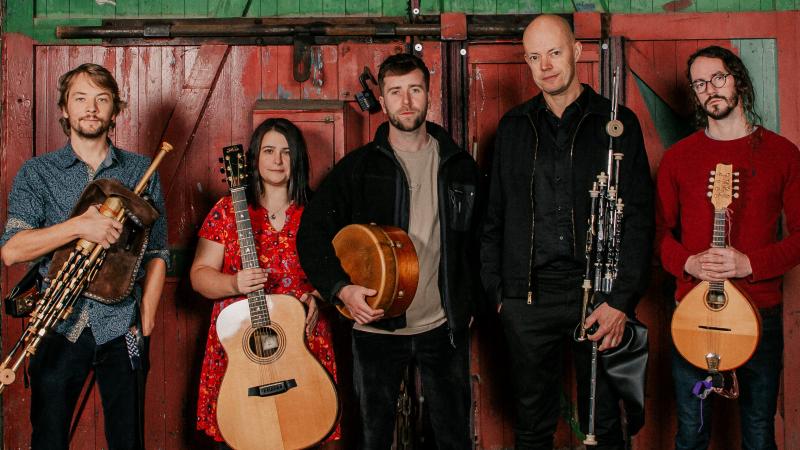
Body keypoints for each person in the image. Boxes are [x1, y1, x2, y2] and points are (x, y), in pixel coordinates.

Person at [480, 15, 654, 450]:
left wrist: (620, 301)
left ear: (577, 51)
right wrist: (501, 295)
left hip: (596, 296)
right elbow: (494, 217)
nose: (546, 66)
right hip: (528, 298)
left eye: (554, 52)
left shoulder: (617, 124)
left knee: (604, 425)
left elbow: (638, 218)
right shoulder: (513, 127)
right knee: (532, 427)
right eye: (534, 57)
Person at [296, 53, 480, 449]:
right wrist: (341, 290)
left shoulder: (459, 164)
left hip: (442, 327)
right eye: (396, 92)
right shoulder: (358, 168)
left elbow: (481, 239)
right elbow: (311, 234)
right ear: (383, 97)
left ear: (429, 94)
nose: (407, 101)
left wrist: (470, 303)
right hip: (375, 327)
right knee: (371, 438)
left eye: (415, 90)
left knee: (453, 438)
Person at [0, 63, 169, 450]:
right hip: (57, 324)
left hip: (122, 325)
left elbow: (158, 252)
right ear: (64, 109)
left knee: (128, 442)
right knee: (49, 441)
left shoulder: (144, 170)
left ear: (115, 110)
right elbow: (12, 250)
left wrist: (146, 318)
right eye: (80, 99)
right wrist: (80, 227)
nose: (90, 108)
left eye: (101, 99)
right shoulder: (37, 173)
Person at [656, 45, 800, 450]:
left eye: (718, 78)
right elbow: (657, 235)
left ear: (738, 78)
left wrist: (748, 263)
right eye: (700, 84)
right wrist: (689, 263)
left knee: (757, 434)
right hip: (692, 314)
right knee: (691, 433)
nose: (710, 89)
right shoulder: (678, 159)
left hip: (759, 315)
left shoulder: (783, 154)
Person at [189, 118, 340, 448]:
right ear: (254, 158)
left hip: (301, 345)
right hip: (243, 348)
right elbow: (199, 276)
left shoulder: (316, 212)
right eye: (269, 151)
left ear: (297, 159)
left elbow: (338, 277)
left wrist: (318, 297)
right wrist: (234, 283)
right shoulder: (228, 211)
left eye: (286, 152)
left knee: (304, 435)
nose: (277, 160)